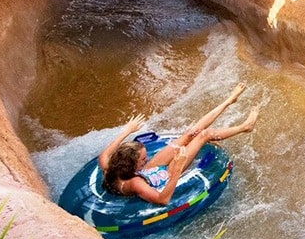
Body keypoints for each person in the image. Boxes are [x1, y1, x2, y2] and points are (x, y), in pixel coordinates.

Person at [98, 83, 259, 205]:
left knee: (190, 133)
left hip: (148, 173)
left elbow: (104, 154)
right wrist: (177, 168)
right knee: (205, 135)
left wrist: (127, 130)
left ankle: (229, 100)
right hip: (163, 176)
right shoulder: (135, 183)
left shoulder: (108, 166)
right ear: (132, 165)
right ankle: (245, 127)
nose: (146, 160)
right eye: (142, 159)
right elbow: (163, 199)